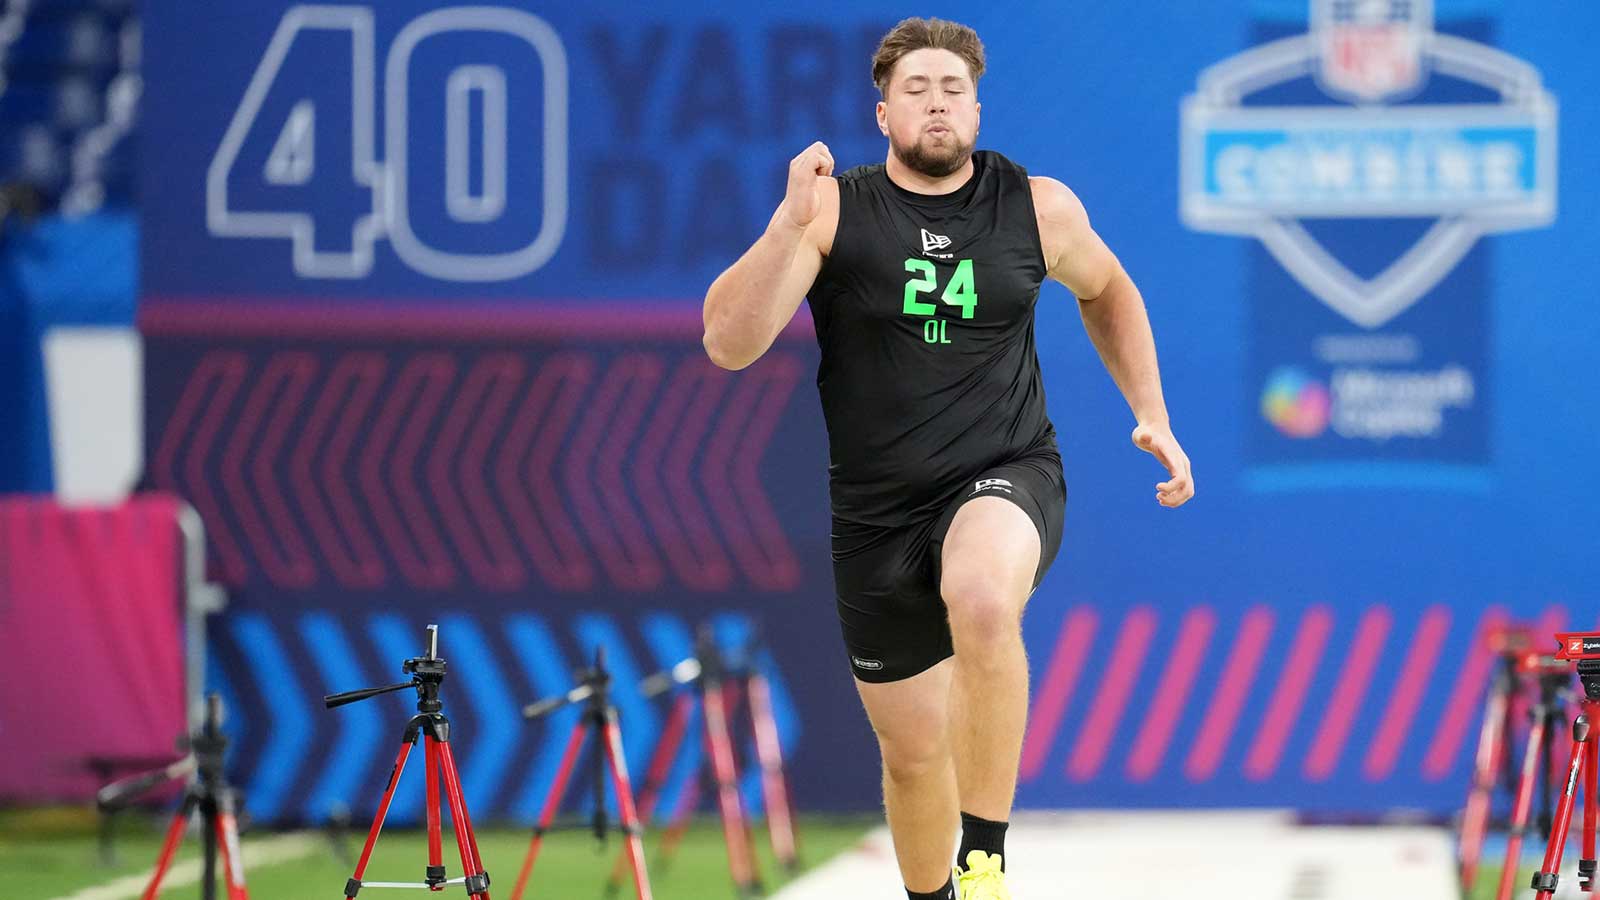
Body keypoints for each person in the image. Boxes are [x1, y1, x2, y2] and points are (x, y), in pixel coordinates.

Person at [701, 16, 1194, 900]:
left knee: (979, 596)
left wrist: (1149, 410)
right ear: (883, 110)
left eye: (953, 90)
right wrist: (784, 224)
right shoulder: (835, 212)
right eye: (917, 91)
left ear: (978, 108)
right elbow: (728, 344)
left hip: (1008, 470)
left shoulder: (1038, 205)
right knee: (913, 754)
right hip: (876, 510)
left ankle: (987, 855)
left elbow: (1109, 288)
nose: (937, 105)